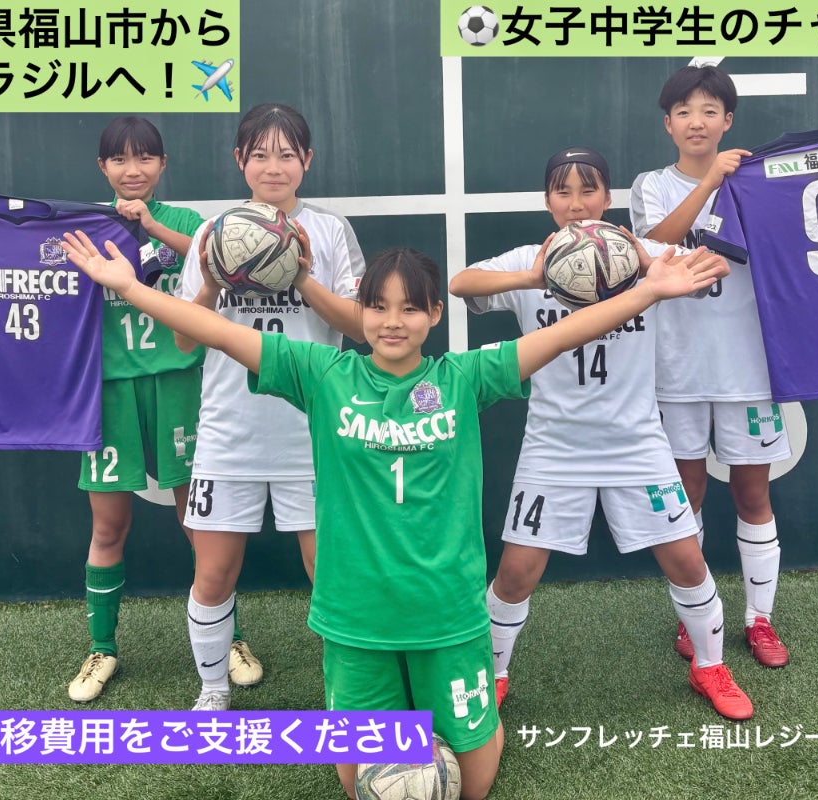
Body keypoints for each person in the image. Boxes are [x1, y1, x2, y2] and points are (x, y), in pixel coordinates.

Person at [61, 229, 728, 800]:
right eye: (378, 306)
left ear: (435, 313)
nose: (392, 321)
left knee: (471, 786)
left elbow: (563, 335)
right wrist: (128, 286)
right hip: (358, 618)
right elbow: (216, 330)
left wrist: (646, 292)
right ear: (360, 311)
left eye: (410, 308)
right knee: (362, 786)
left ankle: (431, 714)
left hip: (446, 614)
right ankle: (406, 715)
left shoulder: (465, 378)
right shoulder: (323, 374)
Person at [0, 116, 208, 702]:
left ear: (163, 164)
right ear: (102, 168)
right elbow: (10, 239)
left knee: (200, 521)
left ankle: (228, 639)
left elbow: (216, 262)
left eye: (145, 157)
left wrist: (151, 227)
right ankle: (102, 647)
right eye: (120, 159)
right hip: (105, 388)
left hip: (176, 381)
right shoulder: (78, 228)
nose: (133, 169)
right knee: (108, 524)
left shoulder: (186, 222)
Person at [450, 147, 752, 722]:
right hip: (554, 446)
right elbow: (462, 283)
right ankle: (493, 675)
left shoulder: (639, 256)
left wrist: (655, 264)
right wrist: (535, 276)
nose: (575, 203)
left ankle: (710, 666)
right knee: (515, 573)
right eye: (562, 191)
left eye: (588, 190)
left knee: (687, 560)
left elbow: (714, 266)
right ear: (547, 200)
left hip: (636, 442)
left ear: (607, 198)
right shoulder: (531, 257)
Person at [628, 65, 818, 668]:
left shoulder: (761, 176)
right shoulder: (651, 184)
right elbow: (655, 247)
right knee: (686, 496)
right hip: (675, 368)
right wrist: (712, 182)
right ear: (667, 123)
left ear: (728, 120)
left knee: (753, 493)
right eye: (684, 111)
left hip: (749, 365)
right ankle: (695, 620)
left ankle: (760, 620)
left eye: (710, 110)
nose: (697, 121)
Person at [172, 103, 366, 710]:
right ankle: (212, 691)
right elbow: (182, 339)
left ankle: (351, 696)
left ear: (307, 160)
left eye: (286, 154)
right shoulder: (212, 232)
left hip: (313, 433)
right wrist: (211, 281)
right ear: (240, 160)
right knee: (213, 574)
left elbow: (360, 326)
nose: (273, 166)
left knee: (330, 576)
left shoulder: (329, 231)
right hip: (230, 431)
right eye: (259, 154)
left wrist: (301, 276)